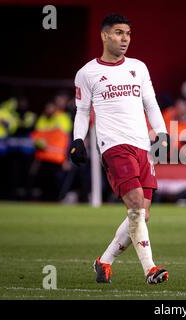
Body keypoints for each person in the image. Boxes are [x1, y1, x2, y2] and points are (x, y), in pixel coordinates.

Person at [69, 13, 169, 285]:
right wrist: (78, 140)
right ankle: (150, 269)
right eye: (118, 33)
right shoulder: (87, 73)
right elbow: (82, 111)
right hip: (113, 146)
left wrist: (162, 133)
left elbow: (151, 104)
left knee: (142, 215)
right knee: (136, 204)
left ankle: (104, 262)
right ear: (104, 35)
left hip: (142, 146)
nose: (124, 39)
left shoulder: (139, 67)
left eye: (127, 33)